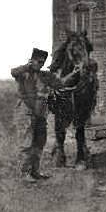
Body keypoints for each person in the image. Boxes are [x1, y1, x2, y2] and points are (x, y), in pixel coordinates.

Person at [11, 47, 79, 182]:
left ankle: (35, 171)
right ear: (32, 61)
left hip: (41, 114)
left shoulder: (45, 76)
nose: (41, 64)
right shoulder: (23, 74)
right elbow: (13, 72)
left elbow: (60, 83)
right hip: (26, 113)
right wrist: (27, 66)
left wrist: (73, 73)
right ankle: (24, 173)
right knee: (27, 144)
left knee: (39, 143)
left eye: (43, 62)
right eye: (38, 62)